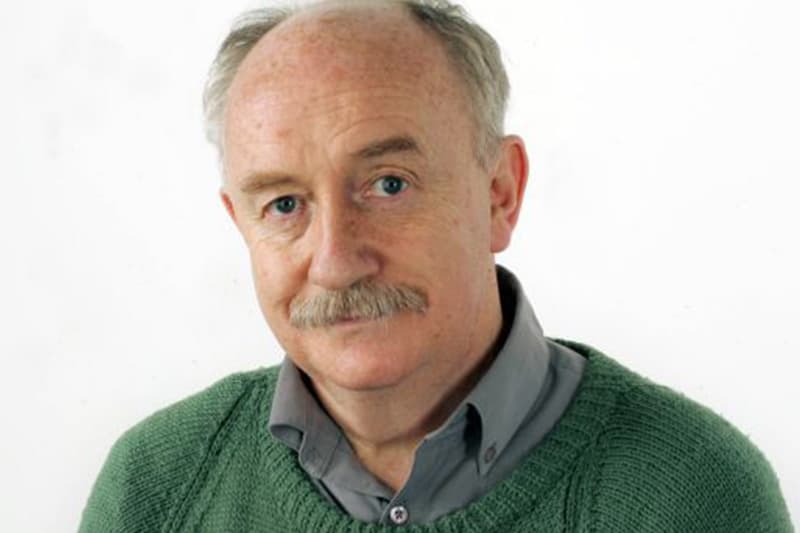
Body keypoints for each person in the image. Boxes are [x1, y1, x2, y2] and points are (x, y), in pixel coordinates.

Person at [79, 0, 792, 531]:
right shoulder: (156, 490)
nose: (335, 261)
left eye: (388, 184)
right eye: (285, 204)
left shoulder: (691, 497)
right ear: (241, 226)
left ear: (499, 194)